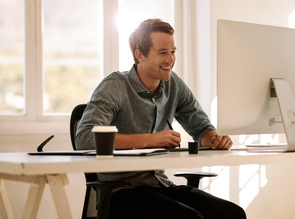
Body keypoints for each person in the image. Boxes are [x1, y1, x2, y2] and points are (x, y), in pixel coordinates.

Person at [75, 18, 246, 219]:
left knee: (232, 214)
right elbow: (85, 139)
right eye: (163, 53)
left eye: (173, 52)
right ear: (140, 55)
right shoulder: (115, 86)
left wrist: (216, 139)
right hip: (121, 192)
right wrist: (151, 140)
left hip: (160, 184)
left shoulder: (174, 84)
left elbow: (202, 129)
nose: (170, 60)